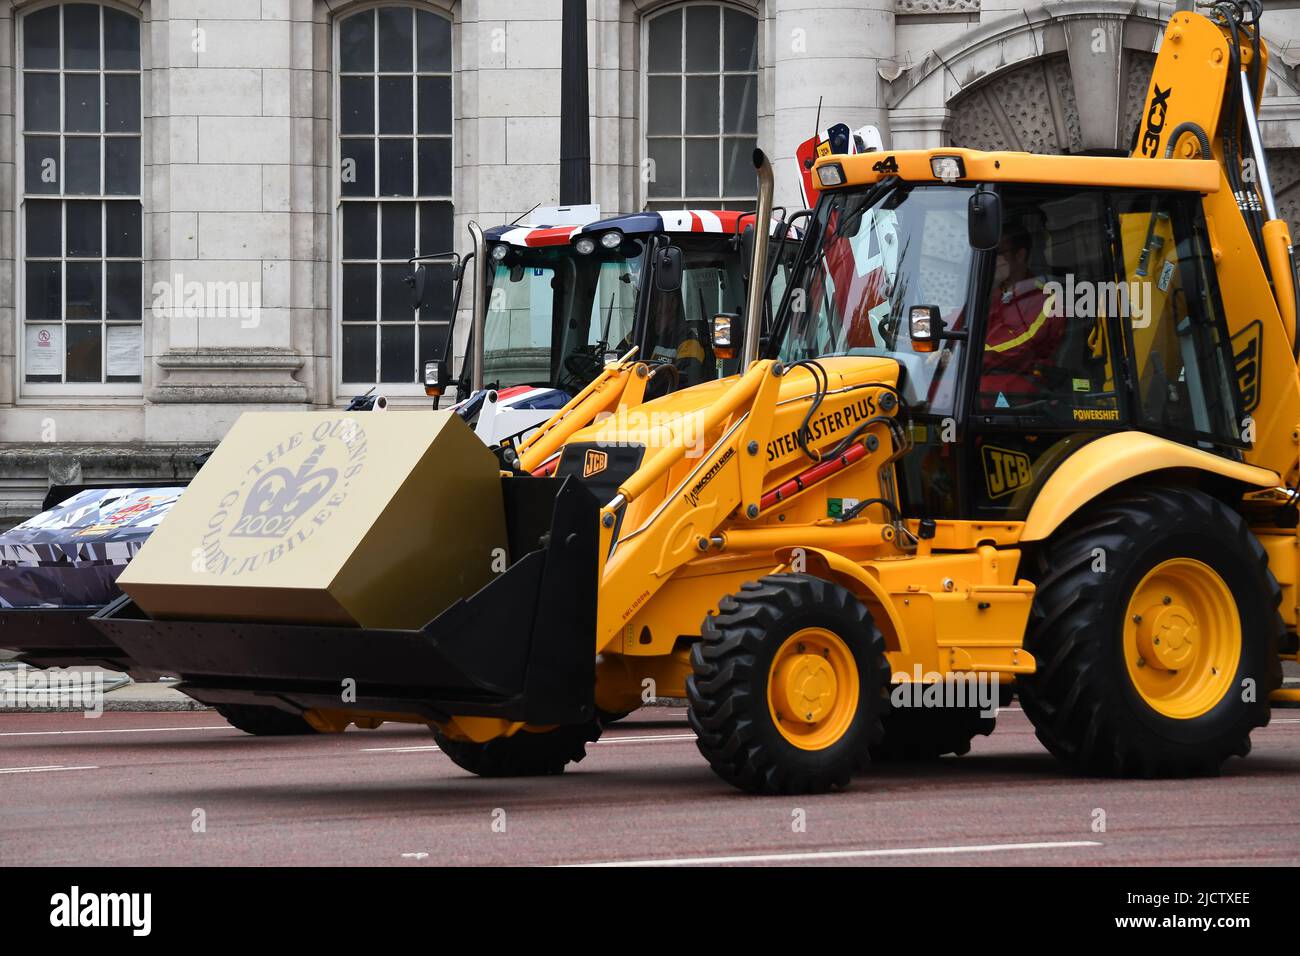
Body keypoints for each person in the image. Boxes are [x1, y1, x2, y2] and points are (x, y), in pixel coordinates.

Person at [981, 227, 1063, 408]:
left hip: (1027, 379)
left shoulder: (1044, 297)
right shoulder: (994, 293)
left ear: (1020, 255)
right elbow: (959, 323)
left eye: (999, 253)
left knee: (975, 392)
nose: (993, 260)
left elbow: (1019, 345)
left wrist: (967, 354)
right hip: (991, 374)